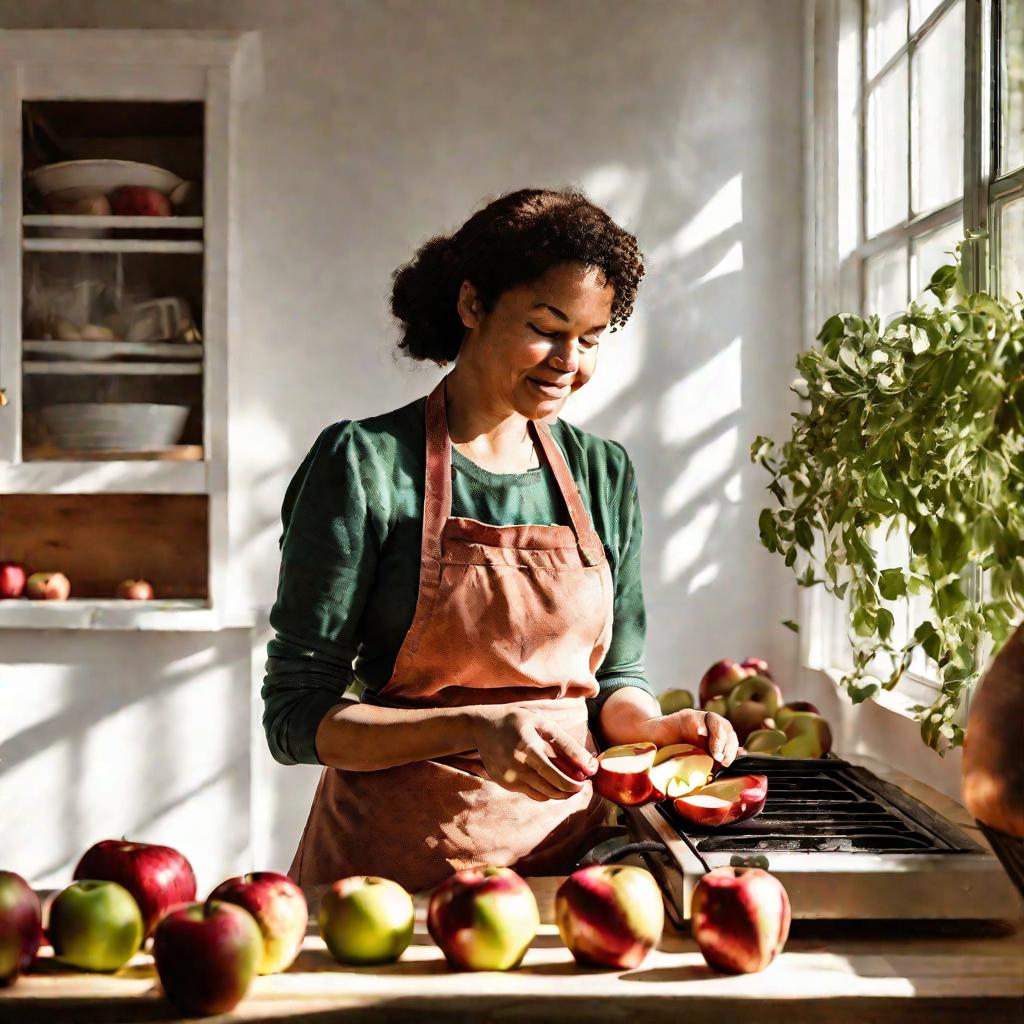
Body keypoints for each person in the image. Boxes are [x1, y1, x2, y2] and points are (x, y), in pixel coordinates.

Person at [262, 187, 739, 893]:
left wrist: (652, 729)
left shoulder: (601, 473)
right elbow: (296, 717)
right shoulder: (363, 463)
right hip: (391, 884)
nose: (567, 361)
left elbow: (614, 681)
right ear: (472, 305)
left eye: (593, 336)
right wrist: (476, 727)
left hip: (570, 879)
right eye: (545, 328)